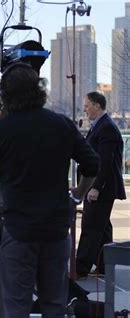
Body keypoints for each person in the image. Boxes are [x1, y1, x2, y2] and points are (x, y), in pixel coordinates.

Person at [0, 63, 99, 318]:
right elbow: (92, 164)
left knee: (17, 306)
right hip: (56, 229)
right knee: (54, 305)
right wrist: (78, 194)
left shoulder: (3, 128)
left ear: (5, 96)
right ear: (39, 90)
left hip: (20, 231)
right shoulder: (61, 124)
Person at [76, 91, 126, 279]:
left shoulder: (106, 128)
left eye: (87, 105)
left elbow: (105, 162)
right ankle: (105, 265)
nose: (85, 109)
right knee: (102, 226)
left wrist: (96, 187)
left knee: (91, 226)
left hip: (102, 188)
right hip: (98, 186)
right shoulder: (100, 126)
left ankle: (80, 267)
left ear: (97, 106)